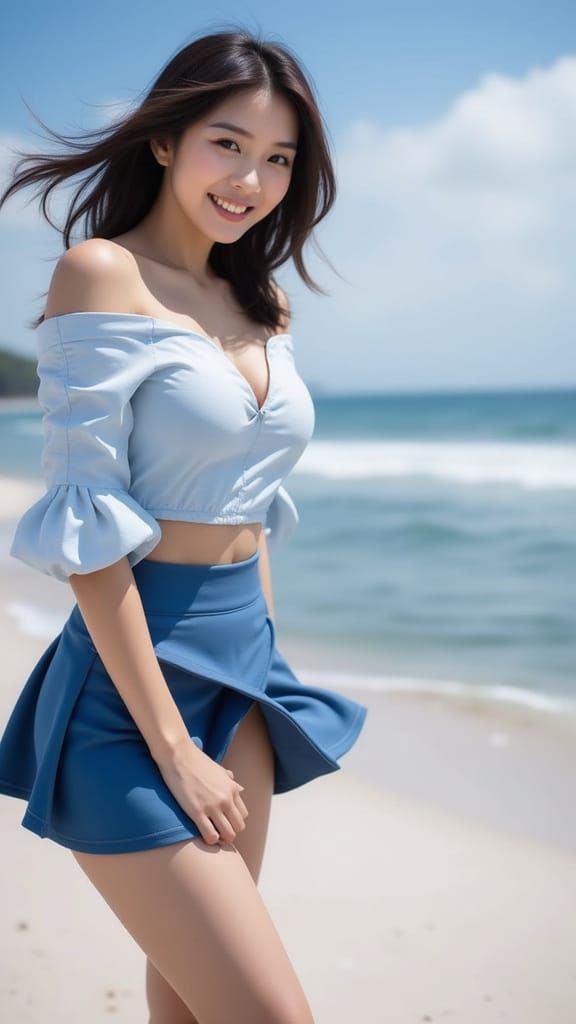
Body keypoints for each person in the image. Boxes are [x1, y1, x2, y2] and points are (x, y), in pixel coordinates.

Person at [0, 28, 368, 1024]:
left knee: (194, 1008)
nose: (252, 177)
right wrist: (171, 746)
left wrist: (266, 664)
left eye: (280, 158)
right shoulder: (101, 274)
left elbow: (251, 508)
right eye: (228, 143)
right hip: (129, 701)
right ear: (166, 141)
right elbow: (89, 537)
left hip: (242, 671)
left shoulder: (266, 301)